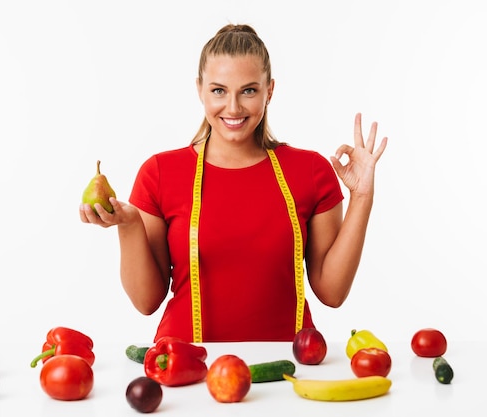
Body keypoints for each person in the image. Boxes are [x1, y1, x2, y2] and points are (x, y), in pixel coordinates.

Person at [79, 24, 387, 343]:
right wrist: (128, 225)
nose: (234, 108)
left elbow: (332, 292)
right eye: (218, 90)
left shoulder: (310, 171)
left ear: (270, 90)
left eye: (249, 90)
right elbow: (146, 302)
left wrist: (362, 196)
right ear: (200, 89)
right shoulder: (160, 172)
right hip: (185, 365)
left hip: (288, 368)